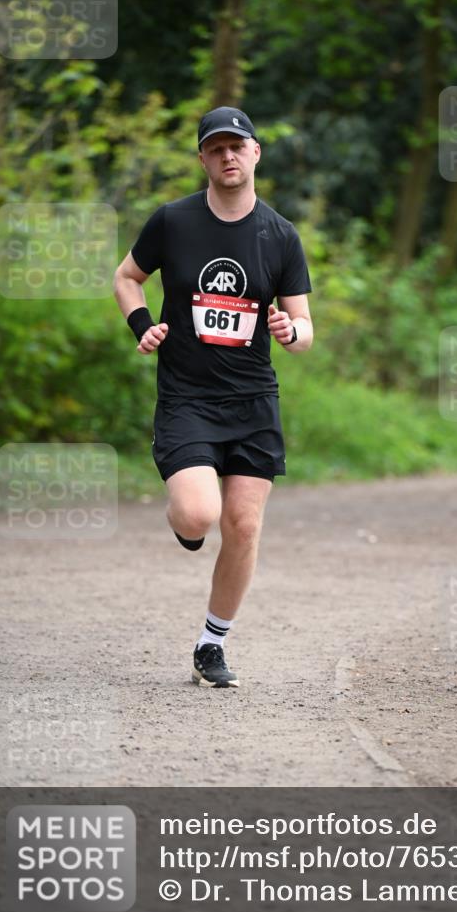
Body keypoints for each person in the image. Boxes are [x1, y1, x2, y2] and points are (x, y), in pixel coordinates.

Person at [113, 106, 313, 688]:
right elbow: (127, 277)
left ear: (255, 154)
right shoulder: (173, 222)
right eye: (215, 147)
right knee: (200, 515)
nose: (228, 155)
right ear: (203, 159)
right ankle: (187, 515)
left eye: (237, 146)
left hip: (252, 400)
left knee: (244, 525)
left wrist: (290, 332)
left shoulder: (280, 236)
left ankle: (212, 643)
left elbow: (304, 329)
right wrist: (142, 324)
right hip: (188, 398)